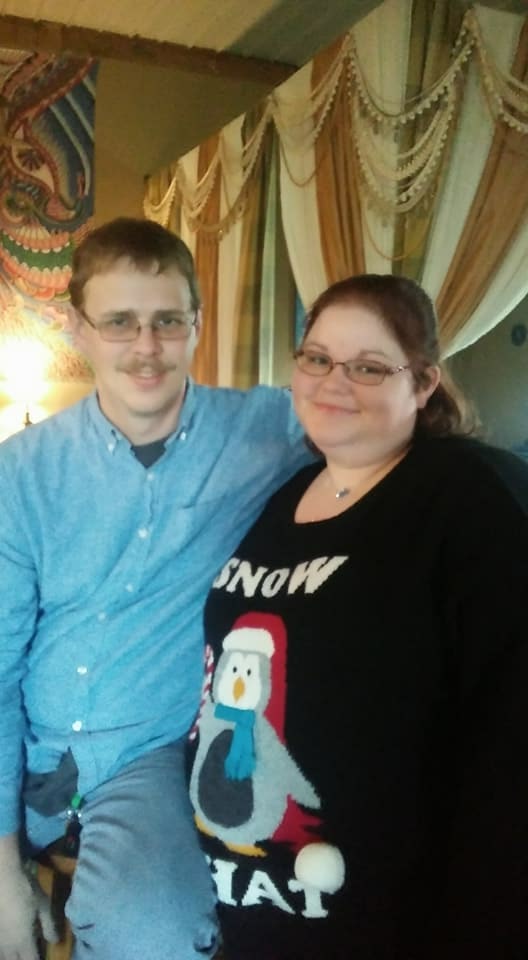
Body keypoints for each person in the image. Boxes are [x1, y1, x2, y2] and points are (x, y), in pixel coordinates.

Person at [189, 274, 528, 960]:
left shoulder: (472, 498)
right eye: (317, 358)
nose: (333, 383)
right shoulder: (283, 491)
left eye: (369, 367)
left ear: (424, 384)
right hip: (249, 909)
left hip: (394, 923)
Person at [0, 217, 312, 960]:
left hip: (145, 758)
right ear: (79, 329)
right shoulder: (21, 471)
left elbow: (372, 420)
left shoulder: (266, 431)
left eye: (167, 321)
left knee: (155, 937)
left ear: (196, 324)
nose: (146, 346)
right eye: (120, 322)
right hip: (29, 745)